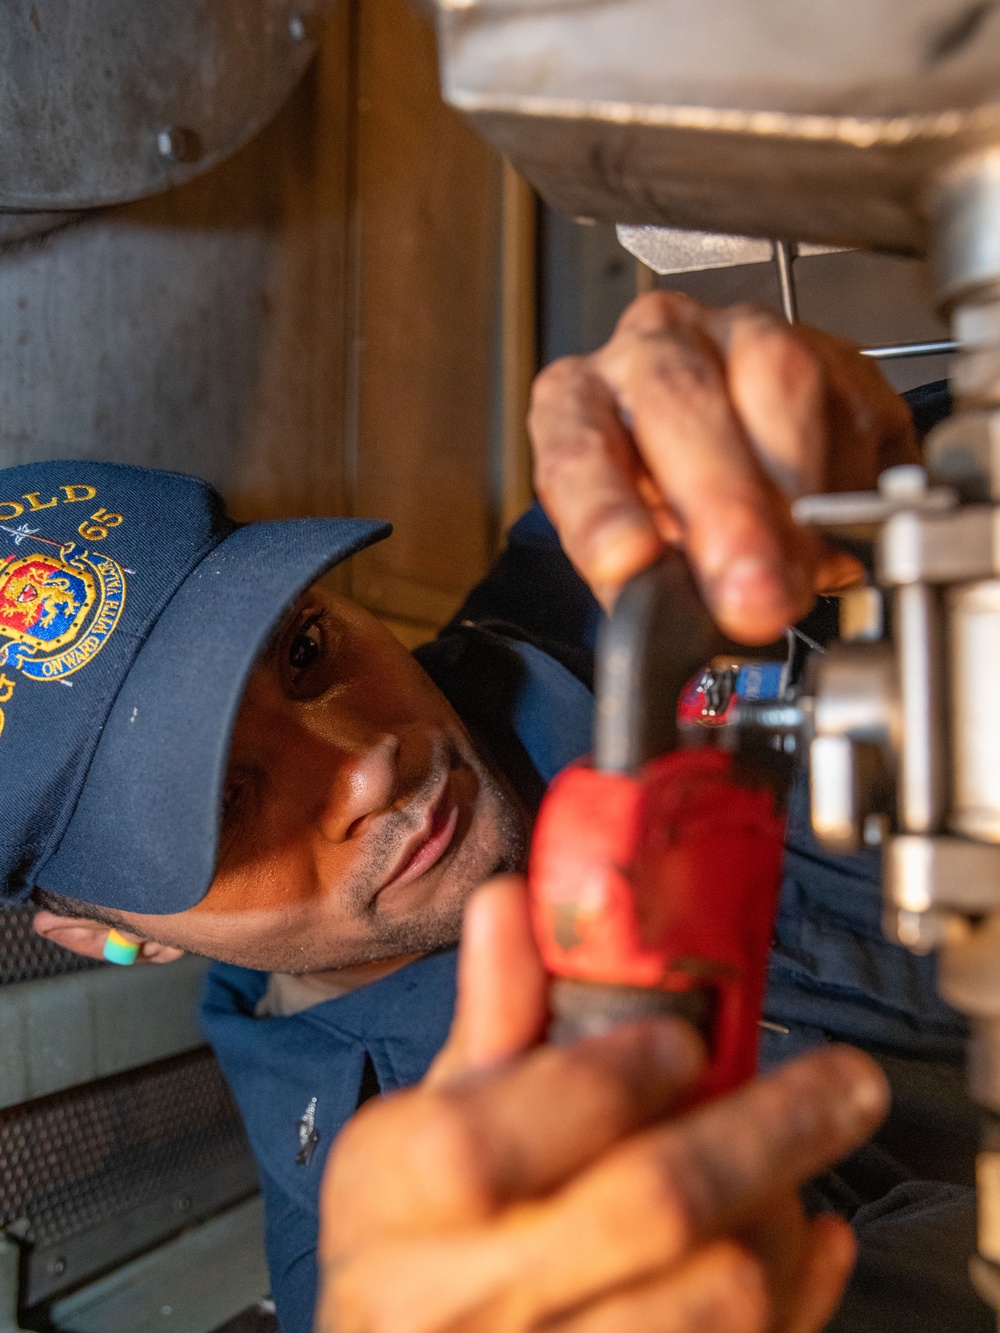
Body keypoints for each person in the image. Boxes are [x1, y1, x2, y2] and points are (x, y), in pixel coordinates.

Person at [8, 293, 984, 1331]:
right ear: (108, 939)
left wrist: (854, 461)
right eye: (223, 804)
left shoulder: (610, 564)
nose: (366, 767)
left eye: (304, 652)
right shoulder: (402, 1259)